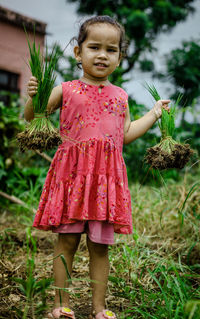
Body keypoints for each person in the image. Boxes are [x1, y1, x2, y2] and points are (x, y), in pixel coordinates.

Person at [24, 15, 170, 319]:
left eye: (111, 49)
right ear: (79, 53)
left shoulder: (121, 97)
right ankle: (60, 305)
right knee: (67, 241)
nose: (102, 55)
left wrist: (154, 114)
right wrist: (33, 98)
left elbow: (124, 135)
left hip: (105, 182)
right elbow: (33, 118)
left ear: (120, 56)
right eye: (94, 47)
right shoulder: (66, 89)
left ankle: (99, 308)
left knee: (100, 246)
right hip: (73, 177)